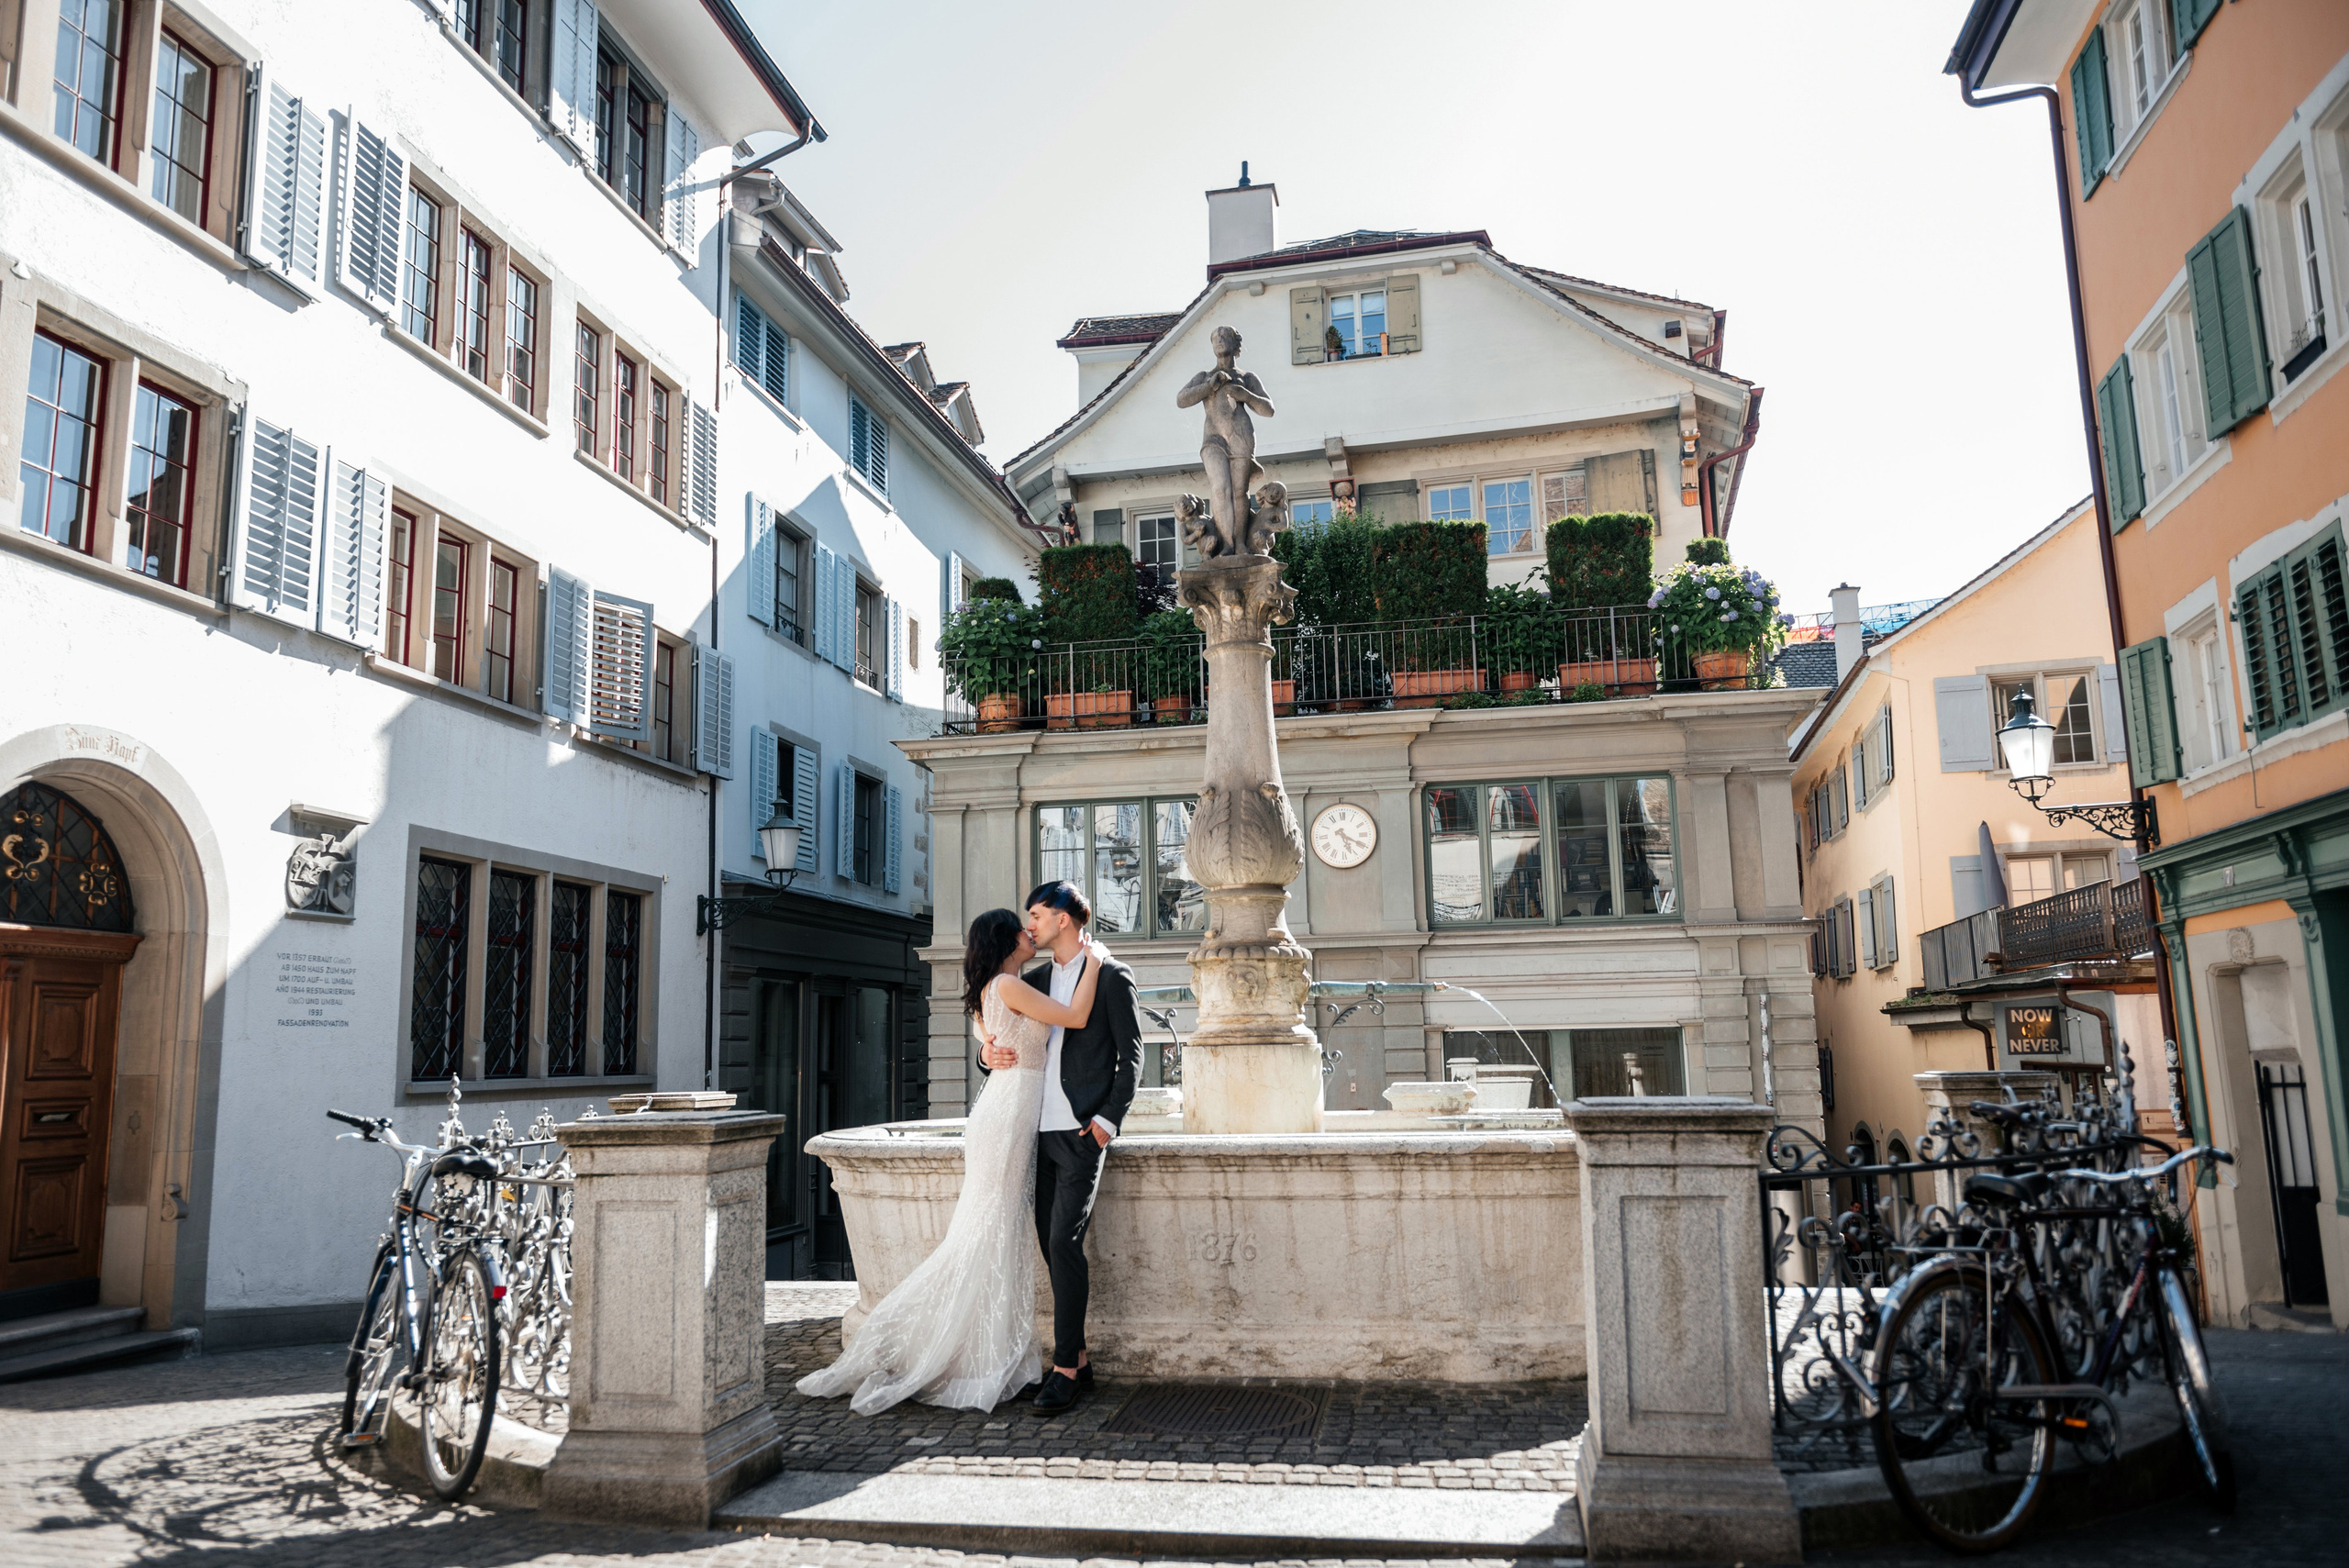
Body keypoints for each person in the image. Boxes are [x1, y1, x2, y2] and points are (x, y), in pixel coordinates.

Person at [793, 906, 1102, 1415]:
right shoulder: (1006, 985)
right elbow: (1074, 1018)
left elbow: (991, 1042)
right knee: (985, 1235)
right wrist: (1092, 959)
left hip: (1005, 1115)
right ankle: (963, 1354)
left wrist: (988, 1054)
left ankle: (994, 1355)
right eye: (1021, 929)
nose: (1031, 933)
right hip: (1005, 1122)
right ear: (1005, 942)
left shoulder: (994, 991)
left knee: (993, 1236)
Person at [982, 881, 1143, 1415]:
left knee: (1063, 1241)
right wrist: (987, 1053)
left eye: (1037, 913)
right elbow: (994, 1020)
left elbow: (1132, 1058)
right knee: (1049, 1246)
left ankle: (1066, 1369)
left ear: (1065, 920)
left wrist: (1105, 1122)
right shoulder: (1037, 977)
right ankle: (1080, 1360)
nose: (1029, 923)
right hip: (1033, 1131)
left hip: (1078, 1133)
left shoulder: (1113, 975)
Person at [1174, 326, 1275, 557]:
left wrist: (1246, 395)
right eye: (1215, 337)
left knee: (1240, 492)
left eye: (1225, 336)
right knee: (1220, 489)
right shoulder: (1204, 377)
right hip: (1213, 439)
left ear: (1235, 344)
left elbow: (1269, 409)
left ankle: (1239, 543)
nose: (1220, 340)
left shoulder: (1247, 377)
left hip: (1241, 437)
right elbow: (1181, 399)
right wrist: (1209, 387)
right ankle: (1227, 543)